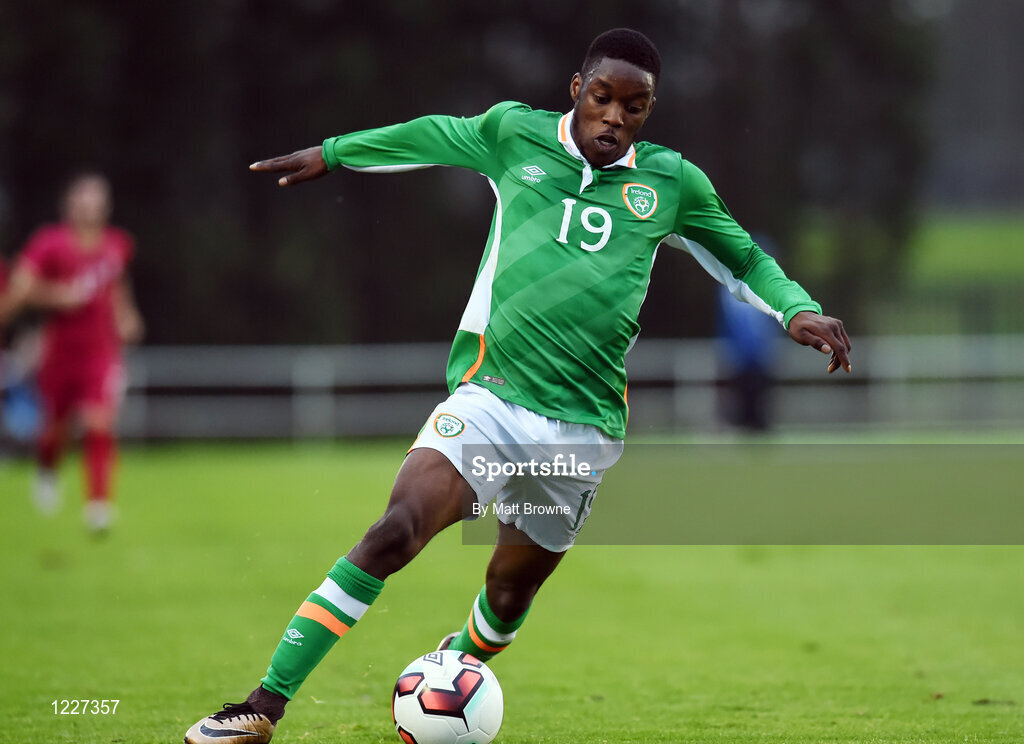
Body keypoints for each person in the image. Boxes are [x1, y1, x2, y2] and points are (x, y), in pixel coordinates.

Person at [184, 28, 851, 744]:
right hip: (491, 400)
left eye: (635, 106)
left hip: (584, 430)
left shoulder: (671, 183)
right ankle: (263, 705)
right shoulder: (513, 135)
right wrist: (337, 151)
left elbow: (743, 256)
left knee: (509, 590)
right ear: (576, 89)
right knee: (396, 531)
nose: (615, 118)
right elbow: (433, 134)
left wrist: (797, 309)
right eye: (603, 98)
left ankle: (455, 674)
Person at [0, 172, 144, 531]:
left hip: (101, 351)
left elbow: (118, 288)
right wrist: (57, 295)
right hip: (60, 351)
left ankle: (98, 506)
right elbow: (21, 287)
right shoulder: (49, 243)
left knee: (99, 421)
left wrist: (127, 316)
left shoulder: (117, 244)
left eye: (95, 199)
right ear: (69, 204)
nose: (88, 206)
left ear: (105, 205)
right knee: (55, 430)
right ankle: (47, 468)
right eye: (82, 199)